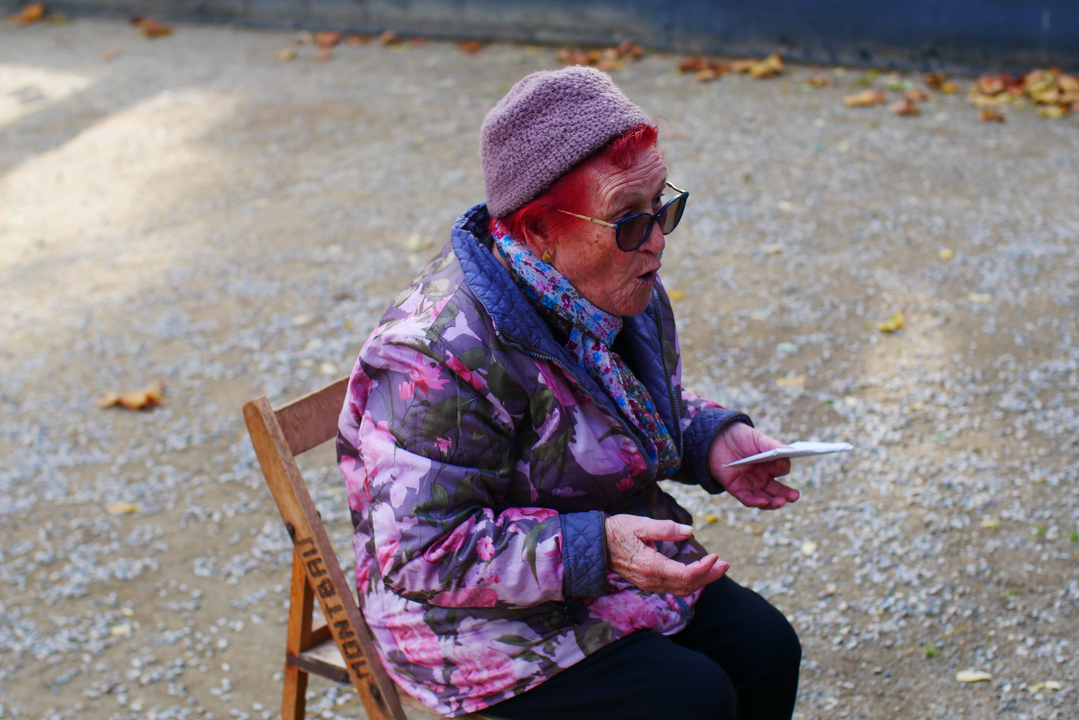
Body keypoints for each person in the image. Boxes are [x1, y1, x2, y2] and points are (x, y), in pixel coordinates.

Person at [337, 66, 802, 720]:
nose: (657, 241)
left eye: (662, 206)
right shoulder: (435, 355)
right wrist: (597, 547)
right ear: (537, 232)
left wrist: (709, 439)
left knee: (766, 649)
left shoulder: (617, 286)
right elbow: (423, 555)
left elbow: (621, 408)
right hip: (464, 617)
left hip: (595, 553)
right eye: (628, 219)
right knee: (690, 701)